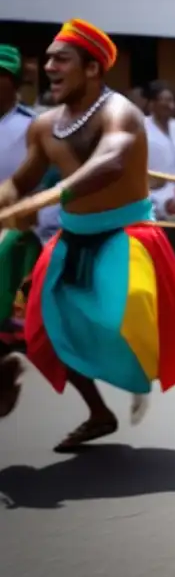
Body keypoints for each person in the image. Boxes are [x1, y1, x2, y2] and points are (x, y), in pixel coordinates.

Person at [0, 19, 175, 448]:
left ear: (92, 69)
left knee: (123, 315)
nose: (49, 65)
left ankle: (136, 369)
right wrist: (9, 199)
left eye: (61, 58)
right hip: (71, 238)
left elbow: (110, 161)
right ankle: (98, 412)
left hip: (125, 234)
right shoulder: (46, 125)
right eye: (48, 58)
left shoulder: (120, 112)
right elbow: (19, 182)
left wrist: (44, 198)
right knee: (48, 330)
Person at [0, 44, 62, 416]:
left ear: (10, 80)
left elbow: (55, 186)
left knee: (18, 319)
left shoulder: (34, 127)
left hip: (21, 241)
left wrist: (34, 218)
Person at [144, 80, 175, 221]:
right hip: (154, 198)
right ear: (152, 104)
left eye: (170, 100)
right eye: (163, 100)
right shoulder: (141, 128)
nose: (168, 105)